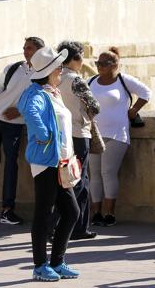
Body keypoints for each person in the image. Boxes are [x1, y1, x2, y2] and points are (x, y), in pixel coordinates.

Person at [18, 47, 80, 282]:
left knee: (72, 212)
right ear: (49, 71)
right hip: (46, 162)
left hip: (60, 162)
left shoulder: (51, 91)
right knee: (44, 214)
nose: (61, 70)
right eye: (58, 67)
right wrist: (43, 135)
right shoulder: (36, 93)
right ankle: (40, 265)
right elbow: (29, 111)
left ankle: (57, 262)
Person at [0, 37, 45, 225]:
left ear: (39, 51)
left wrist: (20, 110)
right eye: (24, 48)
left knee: (11, 165)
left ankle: (7, 210)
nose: (25, 51)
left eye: (28, 48)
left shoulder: (43, 74)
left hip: (14, 125)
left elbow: (44, 100)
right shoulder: (13, 68)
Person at [88, 47, 151, 227]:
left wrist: (133, 110)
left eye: (103, 64)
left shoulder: (123, 80)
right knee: (95, 175)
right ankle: (95, 213)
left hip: (117, 134)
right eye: (97, 63)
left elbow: (146, 93)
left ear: (115, 65)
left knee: (108, 172)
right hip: (94, 134)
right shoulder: (91, 81)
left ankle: (109, 213)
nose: (99, 67)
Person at [55, 41, 100, 240]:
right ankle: (62, 225)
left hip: (60, 133)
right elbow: (95, 106)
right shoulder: (76, 80)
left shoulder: (54, 77)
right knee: (78, 180)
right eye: (81, 57)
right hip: (78, 134)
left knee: (69, 179)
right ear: (74, 59)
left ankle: (77, 227)